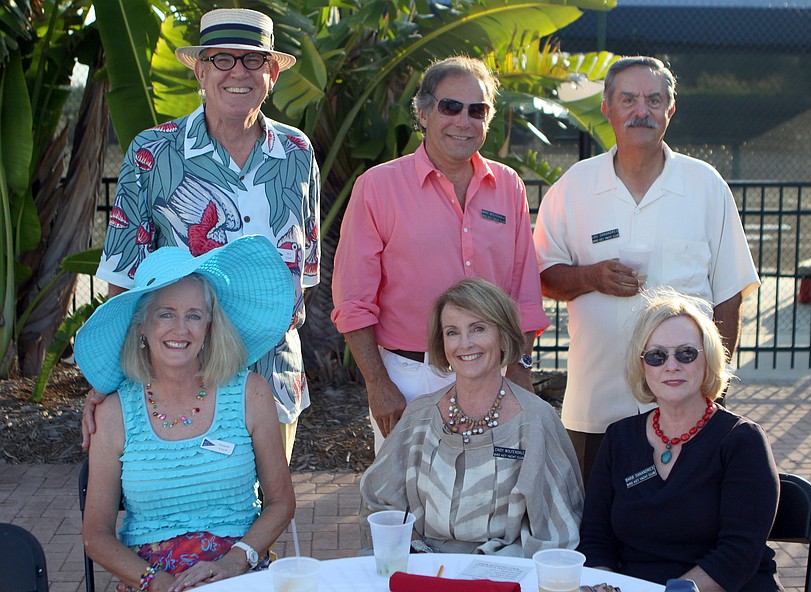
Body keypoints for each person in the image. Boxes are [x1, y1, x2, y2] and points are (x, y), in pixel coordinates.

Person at [85, 8, 321, 462]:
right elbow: (123, 276)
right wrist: (110, 381)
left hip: (273, 376)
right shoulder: (153, 151)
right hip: (178, 377)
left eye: (253, 61)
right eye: (222, 60)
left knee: (262, 518)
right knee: (185, 513)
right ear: (200, 70)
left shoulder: (296, 152)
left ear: (271, 73)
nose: (238, 72)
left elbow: (303, 268)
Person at [533, 55, 760, 484]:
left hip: (686, 409)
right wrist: (590, 277)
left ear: (670, 110)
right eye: (629, 99)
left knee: (685, 527)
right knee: (593, 535)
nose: (642, 111)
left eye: (654, 100)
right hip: (597, 407)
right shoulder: (574, 187)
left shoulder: (705, 186)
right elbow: (541, 275)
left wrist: (715, 389)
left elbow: (729, 295)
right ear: (607, 108)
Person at [332, 56, 550, 452]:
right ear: (424, 112)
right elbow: (352, 300)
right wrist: (379, 384)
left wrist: (519, 368)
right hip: (410, 378)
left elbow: (524, 291)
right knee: (406, 505)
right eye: (451, 107)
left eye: (477, 110)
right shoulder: (378, 186)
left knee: (490, 501)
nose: (463, 121)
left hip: (491, 375)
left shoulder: (508, 186)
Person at [77, 235, 297, 592]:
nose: (181, 330)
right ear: (142, 327)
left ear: (210, 326)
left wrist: (234, 561)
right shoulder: (115, 413)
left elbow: (282, 502)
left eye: (194, 315)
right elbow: (96, 535)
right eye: (166, 314)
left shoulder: (250, 393)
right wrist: (155, 581)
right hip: (151, 579)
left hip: (236, 573)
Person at [359, 278, 583, 557]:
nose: (464, 344)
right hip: (422, 567)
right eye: (452, 332)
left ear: (503, 336)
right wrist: (417, 551)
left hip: (506, 571)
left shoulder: (535, 421)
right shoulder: (420, 416)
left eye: (478, 329)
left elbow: (556, 531)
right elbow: (379, 502)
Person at [578, 289, 782, 590]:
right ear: (643, 365)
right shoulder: (619, 438)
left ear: (708, 358)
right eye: (657, 356)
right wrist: (604, 585)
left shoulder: (742, 441)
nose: (671, 366)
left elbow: (738, 554)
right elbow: (596, 538)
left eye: (686, 353)